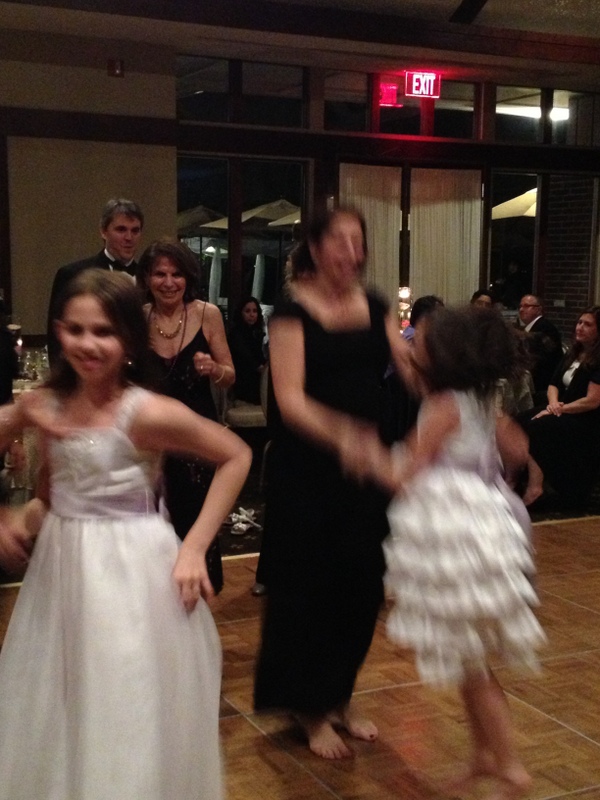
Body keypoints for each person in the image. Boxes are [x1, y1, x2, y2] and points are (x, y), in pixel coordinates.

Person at [0, 268, 252, 800]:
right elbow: (52, 491)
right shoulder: (46, 404)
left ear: (129, 341)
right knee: (61, 696)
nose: (88, 345)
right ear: (58, 330)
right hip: (63, 573)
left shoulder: (145, 412)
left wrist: (194, 546)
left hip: (129, 571)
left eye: (104, 332)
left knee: (122, 695)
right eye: (75, 330)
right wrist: (15, 513)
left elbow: (236, 455)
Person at [371, 306, 546, 800]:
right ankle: (485, 757)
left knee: (472, 665)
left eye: (419, 339)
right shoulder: (478, 397)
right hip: (480, 529)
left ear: (443, 356)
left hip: (456, 540)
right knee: (470, 661)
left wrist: (361, 451)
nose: (412, 343)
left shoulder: (446, 405)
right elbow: (517, 446)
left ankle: (511, 768)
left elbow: (404, 471)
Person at [253, 207, 409, 759]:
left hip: (363, 474)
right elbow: (290, 400)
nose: (350, 251)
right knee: (308, 591)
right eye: (339, 240)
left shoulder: (375, 304)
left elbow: (406, 365)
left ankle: (341, 695)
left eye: (357, 240)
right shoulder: (291, 311)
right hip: (308, 472)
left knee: (362, 588)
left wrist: (458, 374)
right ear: (316, 249)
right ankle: (309, 708)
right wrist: (348, 438)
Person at [137, 237, 235, 594]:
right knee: (152, 526)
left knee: (194, 521)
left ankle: (196, 604)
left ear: (188, 278)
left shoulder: (208, 314)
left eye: (176, 274)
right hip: (151, 440)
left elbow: (230, 374)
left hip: (197, 440)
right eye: (160, 274)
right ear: (147, 278)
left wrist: (214, 369)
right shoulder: (137, 317)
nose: (169, 282)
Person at [518, 306, 600, 509]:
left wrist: (559, 410)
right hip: (562, 408)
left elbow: (592, 401)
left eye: (587, 324)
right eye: (579, 322)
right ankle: (513, 480)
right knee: (518, 421)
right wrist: (553, 404)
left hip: (585, 418)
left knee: (538, 426)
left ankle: (536, 486)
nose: (580, 327)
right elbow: (553, 384)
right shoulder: (574, 353)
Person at [46, 197, 144, 365]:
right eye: (121, 229)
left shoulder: (149, 277)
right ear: (103, 231)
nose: (129, 237)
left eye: (135, 231)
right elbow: (56, 340)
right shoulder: (73, 274)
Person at [515, 294, 563, 405]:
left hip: (543, 386)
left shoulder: (543, 328)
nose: (521, 309)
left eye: (526, 306)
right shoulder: (531, 328)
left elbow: (538, 360)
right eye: (520, 306)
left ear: (538, 309)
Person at [227, 296, 266, 404]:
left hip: (256, 376)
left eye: (255, 311)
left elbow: (260, 356)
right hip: (243, 379)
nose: (252, 315)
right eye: (247, 311)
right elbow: (246, 358)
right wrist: (262, 369)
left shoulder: (256, 332)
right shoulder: (236, 334)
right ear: (241, 313)